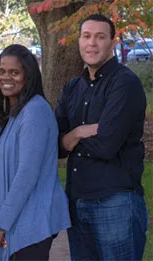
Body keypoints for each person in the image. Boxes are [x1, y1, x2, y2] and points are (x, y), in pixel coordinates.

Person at [55, 14, 148, 261]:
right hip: (77, 202)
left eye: (100, 37)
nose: (92, 43)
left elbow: (107, 145)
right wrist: (78, 132)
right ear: (79, 41)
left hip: (115, 202)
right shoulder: (72, 88)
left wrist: (72, 139)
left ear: (112, 42)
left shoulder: (125, 84)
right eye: (86, 36)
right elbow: (56, 146)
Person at [0, 44, 71, 261]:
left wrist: (0, 223)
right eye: (2, 72)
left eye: (15, 72)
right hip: (13, 216)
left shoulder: (35, 111)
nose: (6, 77)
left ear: (28, 76)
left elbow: (26, 175)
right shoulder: (8, 114)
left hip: (32, 220)